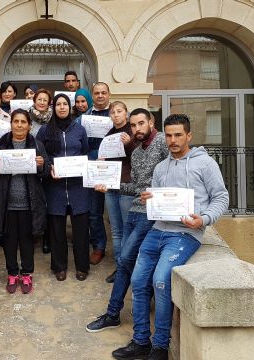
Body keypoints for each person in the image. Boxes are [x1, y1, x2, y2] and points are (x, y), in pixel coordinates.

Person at [112, 114, 229, 360]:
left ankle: (160, 347)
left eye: (178, 135)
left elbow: (221, 198)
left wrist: (204, 219)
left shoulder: (204, 164)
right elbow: (156, 200)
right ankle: (141, 341)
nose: (173, 140)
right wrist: (149, 200)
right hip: (157, 230)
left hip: (185, 234)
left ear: (189, 136)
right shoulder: (161, 167)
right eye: (169, 135)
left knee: (161, 281)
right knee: (139, 280)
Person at [85, 108, 168, 334]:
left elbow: (178, 173)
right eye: (133, 126)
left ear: (151, 122)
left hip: (151, 214)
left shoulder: (163, 142)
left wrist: (160, 194)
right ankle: (127, 309)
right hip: (135, 210)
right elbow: (135, 188)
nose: (137, 129)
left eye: (141, 123)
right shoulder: (137, 152)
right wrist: (109, 185)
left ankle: (113, 313)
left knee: (124, 260)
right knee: (131, 262)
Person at [0, 109, 49, 294]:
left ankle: (27, 273)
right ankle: (12, 273)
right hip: (6, 203)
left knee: (27, 240)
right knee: (10, 241)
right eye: (16, 121)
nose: (20, 125)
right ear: (11, 123)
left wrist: (42, 165)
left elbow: (46, 171)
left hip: (30, 203)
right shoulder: (1, 144)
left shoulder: (37, 144)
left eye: (23, 122)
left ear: (29, 125)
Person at [36, 93, 90, 282]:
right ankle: (59, 267)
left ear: (70, 107)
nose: (61, 107)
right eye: (58, 104)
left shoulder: (80, 129)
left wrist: (80, 165)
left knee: (81, 230)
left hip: (78, 187)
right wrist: (49, 165)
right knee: (57, 230)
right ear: (54, 107)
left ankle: (82, 266)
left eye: (65, 104)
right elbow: (40, 153)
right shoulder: (44, 130)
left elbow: (84, 152)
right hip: (55, 186)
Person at [100, 101, 138, 283]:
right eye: (112, 112)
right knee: (115, 230)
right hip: (110, 186)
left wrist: (129, 143)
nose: (115, 115)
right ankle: (120, 268)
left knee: (127, 229)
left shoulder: (133, 133)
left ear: (126, 113)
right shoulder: (108, 135)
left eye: (119, 111)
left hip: (127, 187)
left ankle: (130, 268)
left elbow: (138, 158)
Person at [82, 82, 111, 265]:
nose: (100, 96)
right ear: (92, 95)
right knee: (94, 211)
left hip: (116, 166)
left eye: (103, 93)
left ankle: (125, 248)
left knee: (118, 210)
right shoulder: (84, 118)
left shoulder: (117, 114)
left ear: (109, 94)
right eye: (97, 93)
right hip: (93, 167)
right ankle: (98, 246)